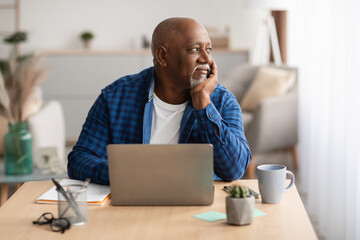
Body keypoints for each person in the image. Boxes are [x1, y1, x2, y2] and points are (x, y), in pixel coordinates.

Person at [67, 17, 252, 185]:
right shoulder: (115, 96)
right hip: (131, 206)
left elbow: (234, 169)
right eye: (195, 49)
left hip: (195, 209)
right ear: (163, 56)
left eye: (208, 49)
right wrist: (126, 174)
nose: (206, 58)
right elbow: (80, 160)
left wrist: (203, 104)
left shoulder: (221, 100)